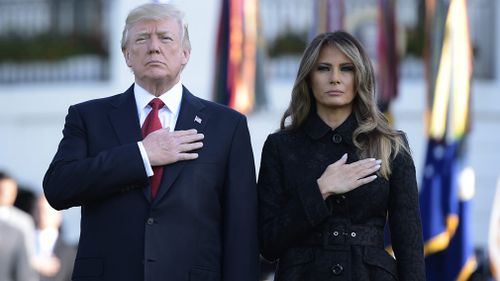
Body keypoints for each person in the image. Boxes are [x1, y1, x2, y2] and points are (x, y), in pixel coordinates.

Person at [43, 3, 258, 281]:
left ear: (185, 54)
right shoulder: (87, 117)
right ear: (127, 54)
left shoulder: (227, 125)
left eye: (165, 38)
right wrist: (142, 154)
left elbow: (241, 229)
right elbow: (58, 187)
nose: (154, 47)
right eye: (142, 38)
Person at [257, 31, 425, 280]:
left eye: (346, 69)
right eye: (323, 68)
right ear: (308, 78)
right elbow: (268, 244)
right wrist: (321, 189)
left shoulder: (391, 144)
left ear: (361, 76)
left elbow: (409, 246)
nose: (335, 78)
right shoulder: (281, 146)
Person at [32, 195, 76, 281]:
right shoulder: (23, 241)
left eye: (48, 211)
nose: (43, 214)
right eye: (40, 209)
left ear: (59, 216)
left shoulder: (69, 252)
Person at [0, 172, 36, 265]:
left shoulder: (23, 221)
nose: (5, 194)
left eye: (10, 191)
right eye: (2, 190)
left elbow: (28, 252)